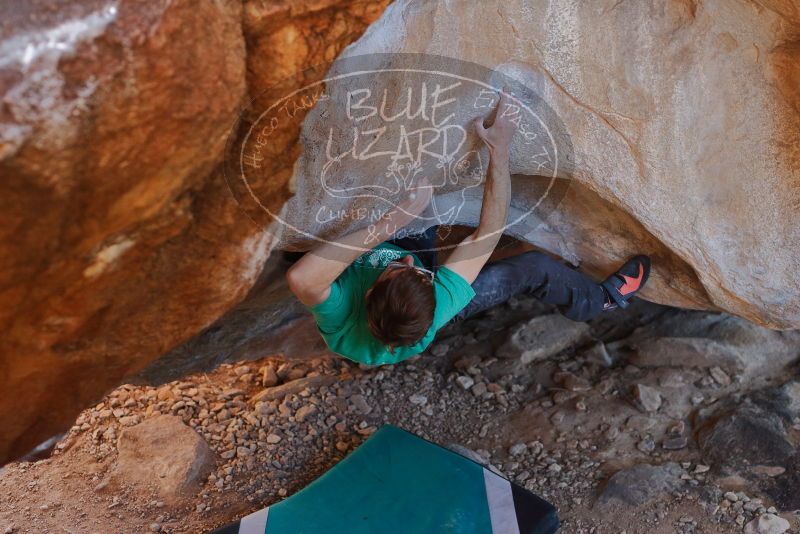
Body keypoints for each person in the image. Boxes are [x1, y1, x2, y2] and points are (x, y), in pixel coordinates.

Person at [286, 92, 650, 366]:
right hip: (421, 290)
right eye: (412, 271)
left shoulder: (339, 315)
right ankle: (596, 301)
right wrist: (500, 149)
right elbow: (487, 233)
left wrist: (387, 226)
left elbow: (302, 279)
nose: (411, 264)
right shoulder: (441, 300)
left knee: (402, 208)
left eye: (405, 270)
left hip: (387, 274)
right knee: (531, 269)